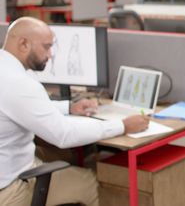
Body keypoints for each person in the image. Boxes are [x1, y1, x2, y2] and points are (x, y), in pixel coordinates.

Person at [0, 17, 149, 206]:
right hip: (11, 189)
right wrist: (122, 125)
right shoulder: (20, 83)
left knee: (63, 157)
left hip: (8, 167)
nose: (51, 54)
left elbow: (21, 107)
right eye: (46, 47)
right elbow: (64, 135)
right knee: (93, 181)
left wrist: (68, 107)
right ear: (23, 44)